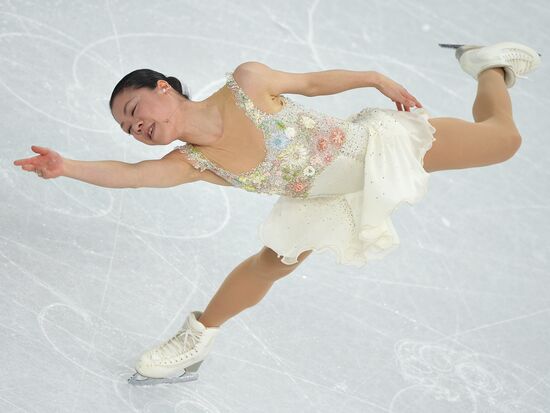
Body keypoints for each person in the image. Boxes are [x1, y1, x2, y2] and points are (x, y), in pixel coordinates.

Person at [13, 42, 541, 385]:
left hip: (373, 151)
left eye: (134, 112)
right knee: (273, 261)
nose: (136, 129)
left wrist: (373, 76)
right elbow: (129, 174)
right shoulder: (194, 163)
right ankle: (195, 340)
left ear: (163, 88)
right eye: (127, 130)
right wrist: (67, 167)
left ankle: (487, 66)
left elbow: (312, 84)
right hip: (323, 197)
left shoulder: (246, 84)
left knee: (506, 140)